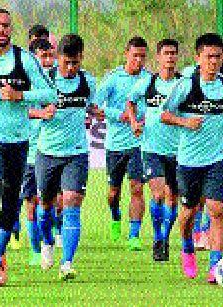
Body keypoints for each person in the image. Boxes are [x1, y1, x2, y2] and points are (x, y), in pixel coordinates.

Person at [0, 8, 57, 287]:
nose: (1, 30)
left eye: (5, 25)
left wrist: (20, 95)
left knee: (11, 200)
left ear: (11, 29)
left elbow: (50, 94)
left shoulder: (25, 60)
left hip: (18, 140)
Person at [161, 33, 223, 284]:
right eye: (209, 56)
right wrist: (185, 121)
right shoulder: (186, 85)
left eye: (218, 57)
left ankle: (215, 266)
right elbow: (164, 115)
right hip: (188, 162)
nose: (214, 61)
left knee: (217, 210)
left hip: (217, 160)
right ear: (198, 58)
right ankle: (187, 248)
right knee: (187, 213)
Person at [34, 34, 96, 280]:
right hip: (47, 153)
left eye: (75, 63)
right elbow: (24, 109)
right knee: (46, 207)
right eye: (66, 62)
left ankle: (67, 262)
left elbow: (93, 107)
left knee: (71, 202)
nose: (70, 68)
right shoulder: (45, 80)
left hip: (76, 154)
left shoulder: (88, 81)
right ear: (57, 58)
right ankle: (47, 243)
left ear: (81, 58)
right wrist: (41, 113)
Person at [127, 39, 181, 261]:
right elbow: (130, 102)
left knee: (173, 198)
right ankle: (158, 237)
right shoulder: (147, 83)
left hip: (179, 150)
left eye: (173, 53)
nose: (170, 57)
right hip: (152, 148)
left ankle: (165, 237)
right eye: (166, 53)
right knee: (158, 194)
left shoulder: (183, 85)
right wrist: (133, 122)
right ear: (158, 57)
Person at [94, 37, 148, 251]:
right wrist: (120, 115)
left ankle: (134, 235)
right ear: (126, 54)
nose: (139, 60)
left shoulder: (149, 79)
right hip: (115, 144)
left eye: (143, 56)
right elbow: (95, 107)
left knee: (137, 188)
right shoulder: (112, 79)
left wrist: (144, 118)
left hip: (139, 143)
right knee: (113, 193)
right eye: (135, 55)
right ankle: (115, 216)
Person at [22, 38, 56, 265]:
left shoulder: (57, 82)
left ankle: (50, 240)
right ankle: (36, 250)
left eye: (48, 56)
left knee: (53, 202)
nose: (46, 61)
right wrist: (41, 114)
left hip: (52, 151)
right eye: (41, 57)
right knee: (31, 203)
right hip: (28, 152)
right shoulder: (24, 81)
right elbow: (18, 111)